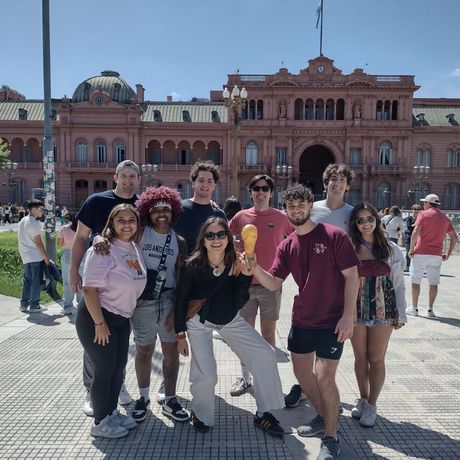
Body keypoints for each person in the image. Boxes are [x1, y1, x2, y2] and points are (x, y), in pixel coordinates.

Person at [251, 184, 360, 460]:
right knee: (302, 375)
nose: (296, 210)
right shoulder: (288, 245)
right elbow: (274, 283)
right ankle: (325, 415)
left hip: (332, 321)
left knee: (325, 376)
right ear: (286, 210)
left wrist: (349, 315)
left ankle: (331, 438)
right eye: (291, 206)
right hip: (302, 319)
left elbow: (352, 276)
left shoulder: (334, 235)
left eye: (301, 205)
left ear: (311, 206)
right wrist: (254, 268)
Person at [175, 217, 285, 436]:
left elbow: (240, 300)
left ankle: (264, 413)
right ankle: (200, 413)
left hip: (230, 319)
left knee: (265, 354)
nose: (216, 240)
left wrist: (245, 276)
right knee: (207, 374)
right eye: (210, 235)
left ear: (228, 237)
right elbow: (180, 299)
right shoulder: (192, 265)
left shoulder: (238, 261)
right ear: (203, 240)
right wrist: (180, 334)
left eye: (221, 234)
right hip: (199, 322)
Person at [70, 159, 141, 415]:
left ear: (138, 180)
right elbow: (80, 238)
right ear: (115, 177)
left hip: (122, 289)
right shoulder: (96, 202)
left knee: (118, 347)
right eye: (124, 176)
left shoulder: (140, 205)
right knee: (95, 342)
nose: (128, 180)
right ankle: (92, 390)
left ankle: (115, 386)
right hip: (95, 282)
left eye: (133, 176)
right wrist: (73, 273)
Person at [287, 162, 355, 407]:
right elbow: (294, 239)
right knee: (309, 348)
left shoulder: (352, 213)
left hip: (345, 285)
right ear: (325, 183)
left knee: (336, 348)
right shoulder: (310, 208)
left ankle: (333, 398)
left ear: (348, 185)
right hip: (313, 287)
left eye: (342, 180)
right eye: (333, 179)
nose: (337, 184)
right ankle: (308, 388)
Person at [75, 204, 146, 439]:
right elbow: (89, 288)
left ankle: (111, 413)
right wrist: (99, 322)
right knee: (104, 371)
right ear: (112, 224)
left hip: (121, 318)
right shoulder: (102, 250)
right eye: (121, 220)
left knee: (117, 370)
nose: (127, 225)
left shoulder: (133, 247)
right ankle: (99, 422)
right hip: (98, 318)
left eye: (131, 220)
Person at [228, 174, 293, 397]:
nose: (261, 192)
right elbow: (226, 241)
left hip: (270, 284)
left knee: (268, 334)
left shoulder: (282, 217)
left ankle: (267, 379)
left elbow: (296, 242)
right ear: (251, 192)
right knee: (246, 334)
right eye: (256, 188)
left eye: (265, 188)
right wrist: (236, 252)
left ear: (272, 193)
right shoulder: (240, 217)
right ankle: (245, 378)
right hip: (244, 285)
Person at [130, 186, 189, 423]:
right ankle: (143, 398)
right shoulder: (139, 233)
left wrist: (176, 310)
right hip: (142, 301)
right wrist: (100, 238)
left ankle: (170, 399)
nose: (161, 214)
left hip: (167, 300)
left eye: (166, 209)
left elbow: (181, 277)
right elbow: (113, 237)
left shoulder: (179, 241)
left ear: (174, 211)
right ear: (147, 212)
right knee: (143, 350)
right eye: (156, 210)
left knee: (170, 352)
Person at [348, 202, 407, 427]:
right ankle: (363, 399)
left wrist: (401, 313)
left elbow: (399, 283)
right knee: (360, 358)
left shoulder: (390, 249)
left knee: (377, 358)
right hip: (356, 308)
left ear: (377, 220)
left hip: (383, 308)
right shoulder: (350, 247)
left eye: (369, 219)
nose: (366, 224)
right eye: (360, 220)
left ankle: (372, 404)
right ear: (355, 223)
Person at [406, 194, 458, 318]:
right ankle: (430, 310)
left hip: (420, 253)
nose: (423, 205)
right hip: (436, 254)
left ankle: (414, 308)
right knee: (433, 283)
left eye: (424, 203)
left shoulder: (423, 215)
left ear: (428, 203)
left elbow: (415, 232)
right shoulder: (445, 218)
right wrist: (448, 253)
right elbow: (454, 237)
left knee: (415, 281)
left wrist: (411, 250)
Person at [174, 160, 226, 255]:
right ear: (193, 183)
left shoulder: (219, 214)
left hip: (210, 268)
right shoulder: (179, 208)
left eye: (209, 181)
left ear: (214, 185)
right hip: (181, 267)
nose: (205, 184)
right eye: (201, 180)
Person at [17, 199, 50, 313]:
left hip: (25, 255)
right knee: (36, 281)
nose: (42, 212)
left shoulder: (23, 220)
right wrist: (46, 257)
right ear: (34, 209)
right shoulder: (35, 223)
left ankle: (23, 304)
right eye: (41, 210)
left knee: (27, 280)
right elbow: (38, 242)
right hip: (35, 256)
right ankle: (34, 304)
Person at [57, 214, 85, 315]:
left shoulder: (64, 229)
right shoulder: (85, 230)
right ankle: (81, 305)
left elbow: (59, 244)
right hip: (82, 255)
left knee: (67, 281)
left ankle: (68, 307)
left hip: (68, 255)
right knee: (81, 281)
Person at [404, 204, 421, 271]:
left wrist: (415, 226)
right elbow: (409, 226)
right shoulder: (409, 218)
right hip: (409, 237)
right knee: (409, 251)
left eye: (418, 209)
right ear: (412, 210)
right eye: (414, 209)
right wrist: (417, 226)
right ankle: (407, 266)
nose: (416, 210)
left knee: (418, 253)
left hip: (418, 238)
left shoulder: (421, 218)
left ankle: (416, 267)